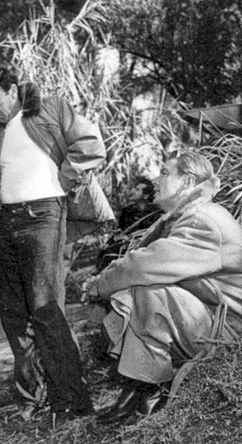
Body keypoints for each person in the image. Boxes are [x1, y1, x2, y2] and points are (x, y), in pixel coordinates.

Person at [0, 67, 107, 426]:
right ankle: (35, 398)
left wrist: (64, 180)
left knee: (45, 309)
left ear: (13, 91)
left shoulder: (50, 108)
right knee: (13, 313)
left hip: (44, 216)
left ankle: (73, 402)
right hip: (8, 221)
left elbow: (90, 144)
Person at [88, 150, 242, 424]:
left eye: (165, 172)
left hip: (229, 336)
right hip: (214, 323)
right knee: (142, 286)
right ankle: (142, 384)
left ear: (187, 182)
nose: (156, 179)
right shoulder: (192, 214)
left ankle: (149, 386)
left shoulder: (201, 219)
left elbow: (143, 265)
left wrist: (100, 285)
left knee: (148, 290)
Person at [96, 176, 161, 271]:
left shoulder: (155, 213)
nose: (133, 191)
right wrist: (109, 242)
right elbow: (122, 231)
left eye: (137, 189)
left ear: (146, 196)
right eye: (134, 188)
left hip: (143, 247)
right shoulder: (127, 211)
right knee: (104, 252)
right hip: (125, 245)